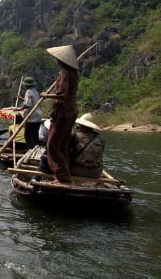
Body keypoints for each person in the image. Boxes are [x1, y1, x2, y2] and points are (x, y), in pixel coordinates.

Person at [40, 45, 79, 184]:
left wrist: (46, 95)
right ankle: (63, 175)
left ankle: (63, 178)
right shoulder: (73, 73)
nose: (55, 60)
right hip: (70, 111)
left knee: (53, 145)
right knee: (63, 145)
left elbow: (62, 95)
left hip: (63, 112)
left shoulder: (65, 73)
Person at [69, 113, 104, 178]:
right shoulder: (100, 138)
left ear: (82, 125)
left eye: (79, 124)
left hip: (76, 171)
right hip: (96, 173)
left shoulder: (76, 136)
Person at [15, 77, 43, 149]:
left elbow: (28, 105)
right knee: (35, 135)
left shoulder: (28, 92)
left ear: (26, 85)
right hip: (38, 116)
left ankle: (31, 151)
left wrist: (20, 109)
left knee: (28, 136)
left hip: (32, 117)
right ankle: (36, 149)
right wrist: (22, 99)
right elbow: (33, 102)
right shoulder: (35, 91)